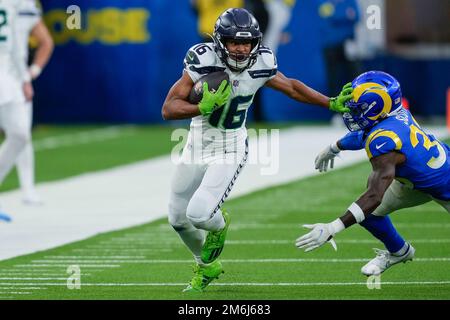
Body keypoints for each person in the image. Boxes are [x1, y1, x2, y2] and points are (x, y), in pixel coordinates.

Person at [162, 8, 353, 292]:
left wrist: (329, 102)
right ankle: (206, 266)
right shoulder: (203, 60)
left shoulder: (262, 61)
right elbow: (168, 108)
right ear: (220, 42)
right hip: (194, 146)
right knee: (177, 218)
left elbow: (290, 87)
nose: (240, 49)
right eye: (234, 42)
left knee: (200, 214)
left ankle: (218, 224)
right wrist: (199, 108)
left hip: (230, 148)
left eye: (246, 43)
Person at [296, 71, 450, 276]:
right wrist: (335, 146)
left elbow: (374, 196)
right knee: (366, 214)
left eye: (358, 108)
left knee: (367, 203)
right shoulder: (393, 115)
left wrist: (332, 228)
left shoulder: (384, 141)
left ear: (378, 108)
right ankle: (399, 252)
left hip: (446, 184)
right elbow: (366, 133)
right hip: (418, 180)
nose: (352, 111)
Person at [14, 0, 54, 205]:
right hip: (14, 79)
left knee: (21, 135)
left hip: (14, 79)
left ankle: (28, 188)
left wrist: (31, 73)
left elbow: (45, 41)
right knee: (20, 135)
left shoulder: (25, 4)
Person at [0, 0, 34, 207]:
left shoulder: (12, 4)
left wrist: (24, 78)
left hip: (6, 74)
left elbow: (15, 48)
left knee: (20, 134)